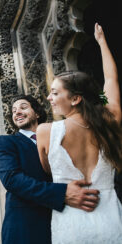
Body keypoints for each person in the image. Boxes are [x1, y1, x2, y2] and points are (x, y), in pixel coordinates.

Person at [37, 23, 122, 243]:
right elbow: (110, 82)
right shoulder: (108, 121)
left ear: (75, 99)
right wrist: (102, 42)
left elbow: (47, 168)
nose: (49, 98)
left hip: (72, 227)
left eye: (55, 93)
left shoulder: (46, 131)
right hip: (112, 223)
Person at [0, 94, 99, 244]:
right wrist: (62, 193)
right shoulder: (6, 142)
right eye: (14, 110)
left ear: (37, 113)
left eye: (23, 107)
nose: (17, 112)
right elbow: (12, 180)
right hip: (26, 227)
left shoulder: (59, 138)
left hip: (67, 222)